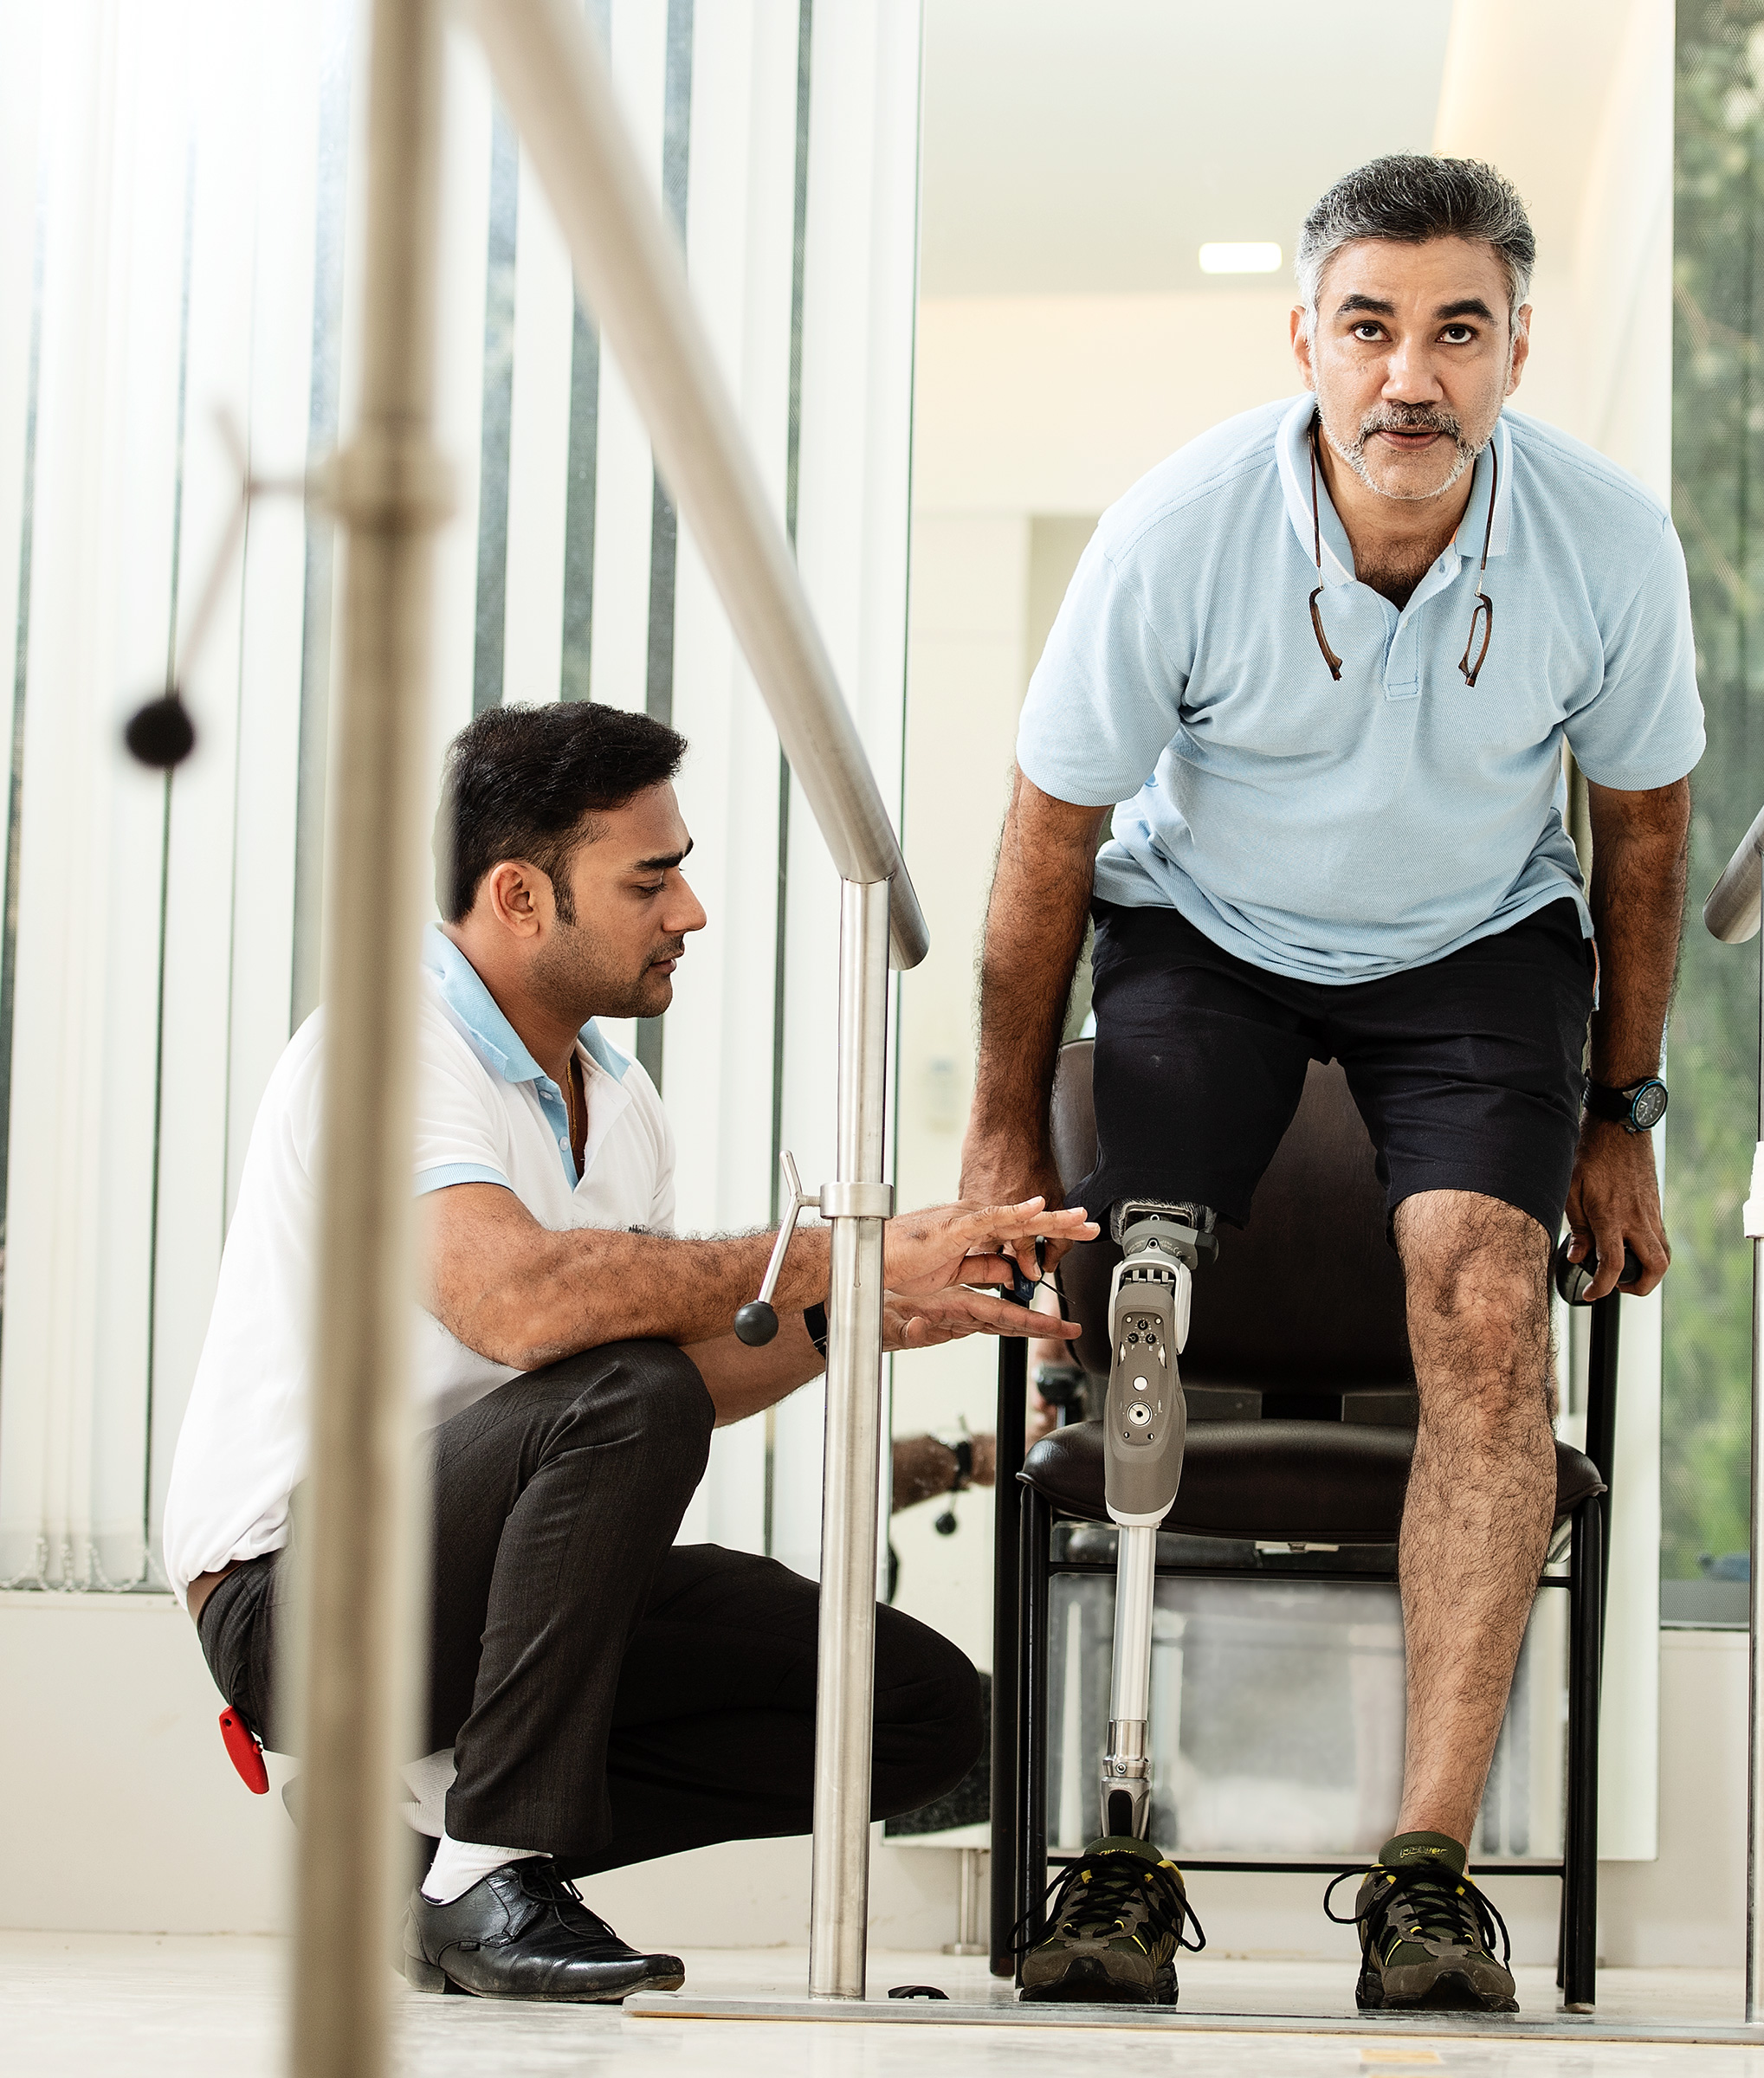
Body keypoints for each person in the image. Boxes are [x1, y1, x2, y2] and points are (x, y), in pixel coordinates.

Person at [962, 155, 1701, 2010]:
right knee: (1143, 1296)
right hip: (1205, 927)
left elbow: (1645, 833)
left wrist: (1623, 1112)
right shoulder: (1178, 532)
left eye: (1460, 331)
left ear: (1519, 348)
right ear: (1305, 339)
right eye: (1370, 327)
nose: (1410, 377)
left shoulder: (1607, 545)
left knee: (1488, 1309)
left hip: (1475, 943)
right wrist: (995, 1119)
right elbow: (1050, 833)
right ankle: (1119, 1845)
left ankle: (1427, 1875)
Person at [163, 700, 1093, 2004]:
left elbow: (672, 1390)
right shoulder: (387, 1052)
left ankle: (417, 1856)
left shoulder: (621, 1103)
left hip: (486, 1582)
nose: (690, 912)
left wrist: (858, 1317)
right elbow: (523, 1310)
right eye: (649, 882)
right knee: (625, 1381)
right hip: (302, 1605)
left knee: (914, 1709)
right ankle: (490, 1871)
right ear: (518, 896)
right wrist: (844, 1253)